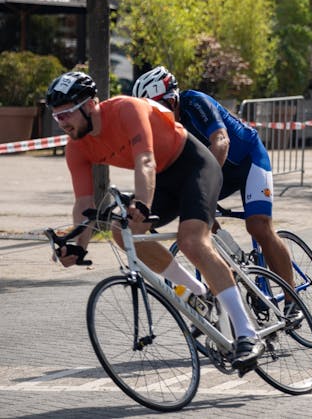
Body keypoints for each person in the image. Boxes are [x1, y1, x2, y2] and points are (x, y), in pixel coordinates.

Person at [47, 71, 264, 369]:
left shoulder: (127, 109)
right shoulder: (76, 146)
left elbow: (144, 161)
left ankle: (247, 334)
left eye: (68, 113)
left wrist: (143, 203)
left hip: (195, 165)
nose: (63, 122)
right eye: (56, 116)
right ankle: (197, 294)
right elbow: (85, 203)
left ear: (92, 104)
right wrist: (77, 244)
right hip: (163, 179)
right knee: (121, 234)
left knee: (191, 242)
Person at [132, 67, 295, 306]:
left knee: (258, 226)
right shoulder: (160, 129)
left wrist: (203, 185)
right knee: (197, 223)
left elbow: (221, 142)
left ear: (172, 99)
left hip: (247, 161)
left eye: (159, 108)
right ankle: (234, 269)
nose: (155, 115)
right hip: (217, 169)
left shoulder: (195, 102)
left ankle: (292, 301)